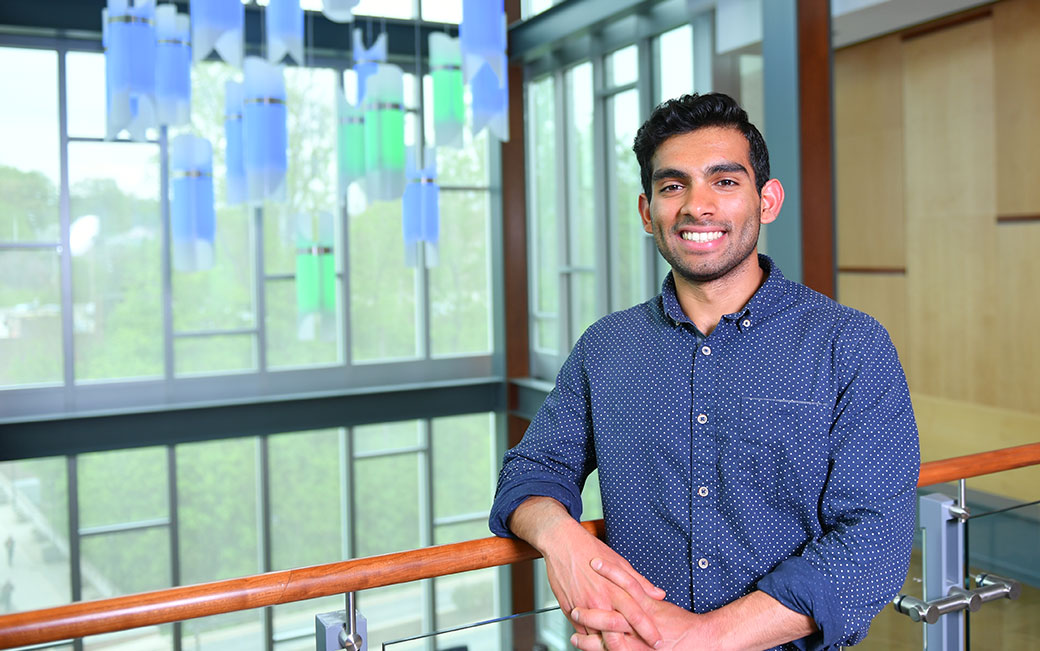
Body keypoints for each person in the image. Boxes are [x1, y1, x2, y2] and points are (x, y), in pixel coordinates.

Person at [489, 93, 919, 650]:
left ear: (767, 200)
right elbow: (532, 468)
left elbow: (874, 543)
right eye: (673, 186)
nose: (697, 206)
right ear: (648, 213)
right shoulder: (606, 348)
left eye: (724, 181)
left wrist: (699, 639)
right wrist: (561, 539)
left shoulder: (852, 345)